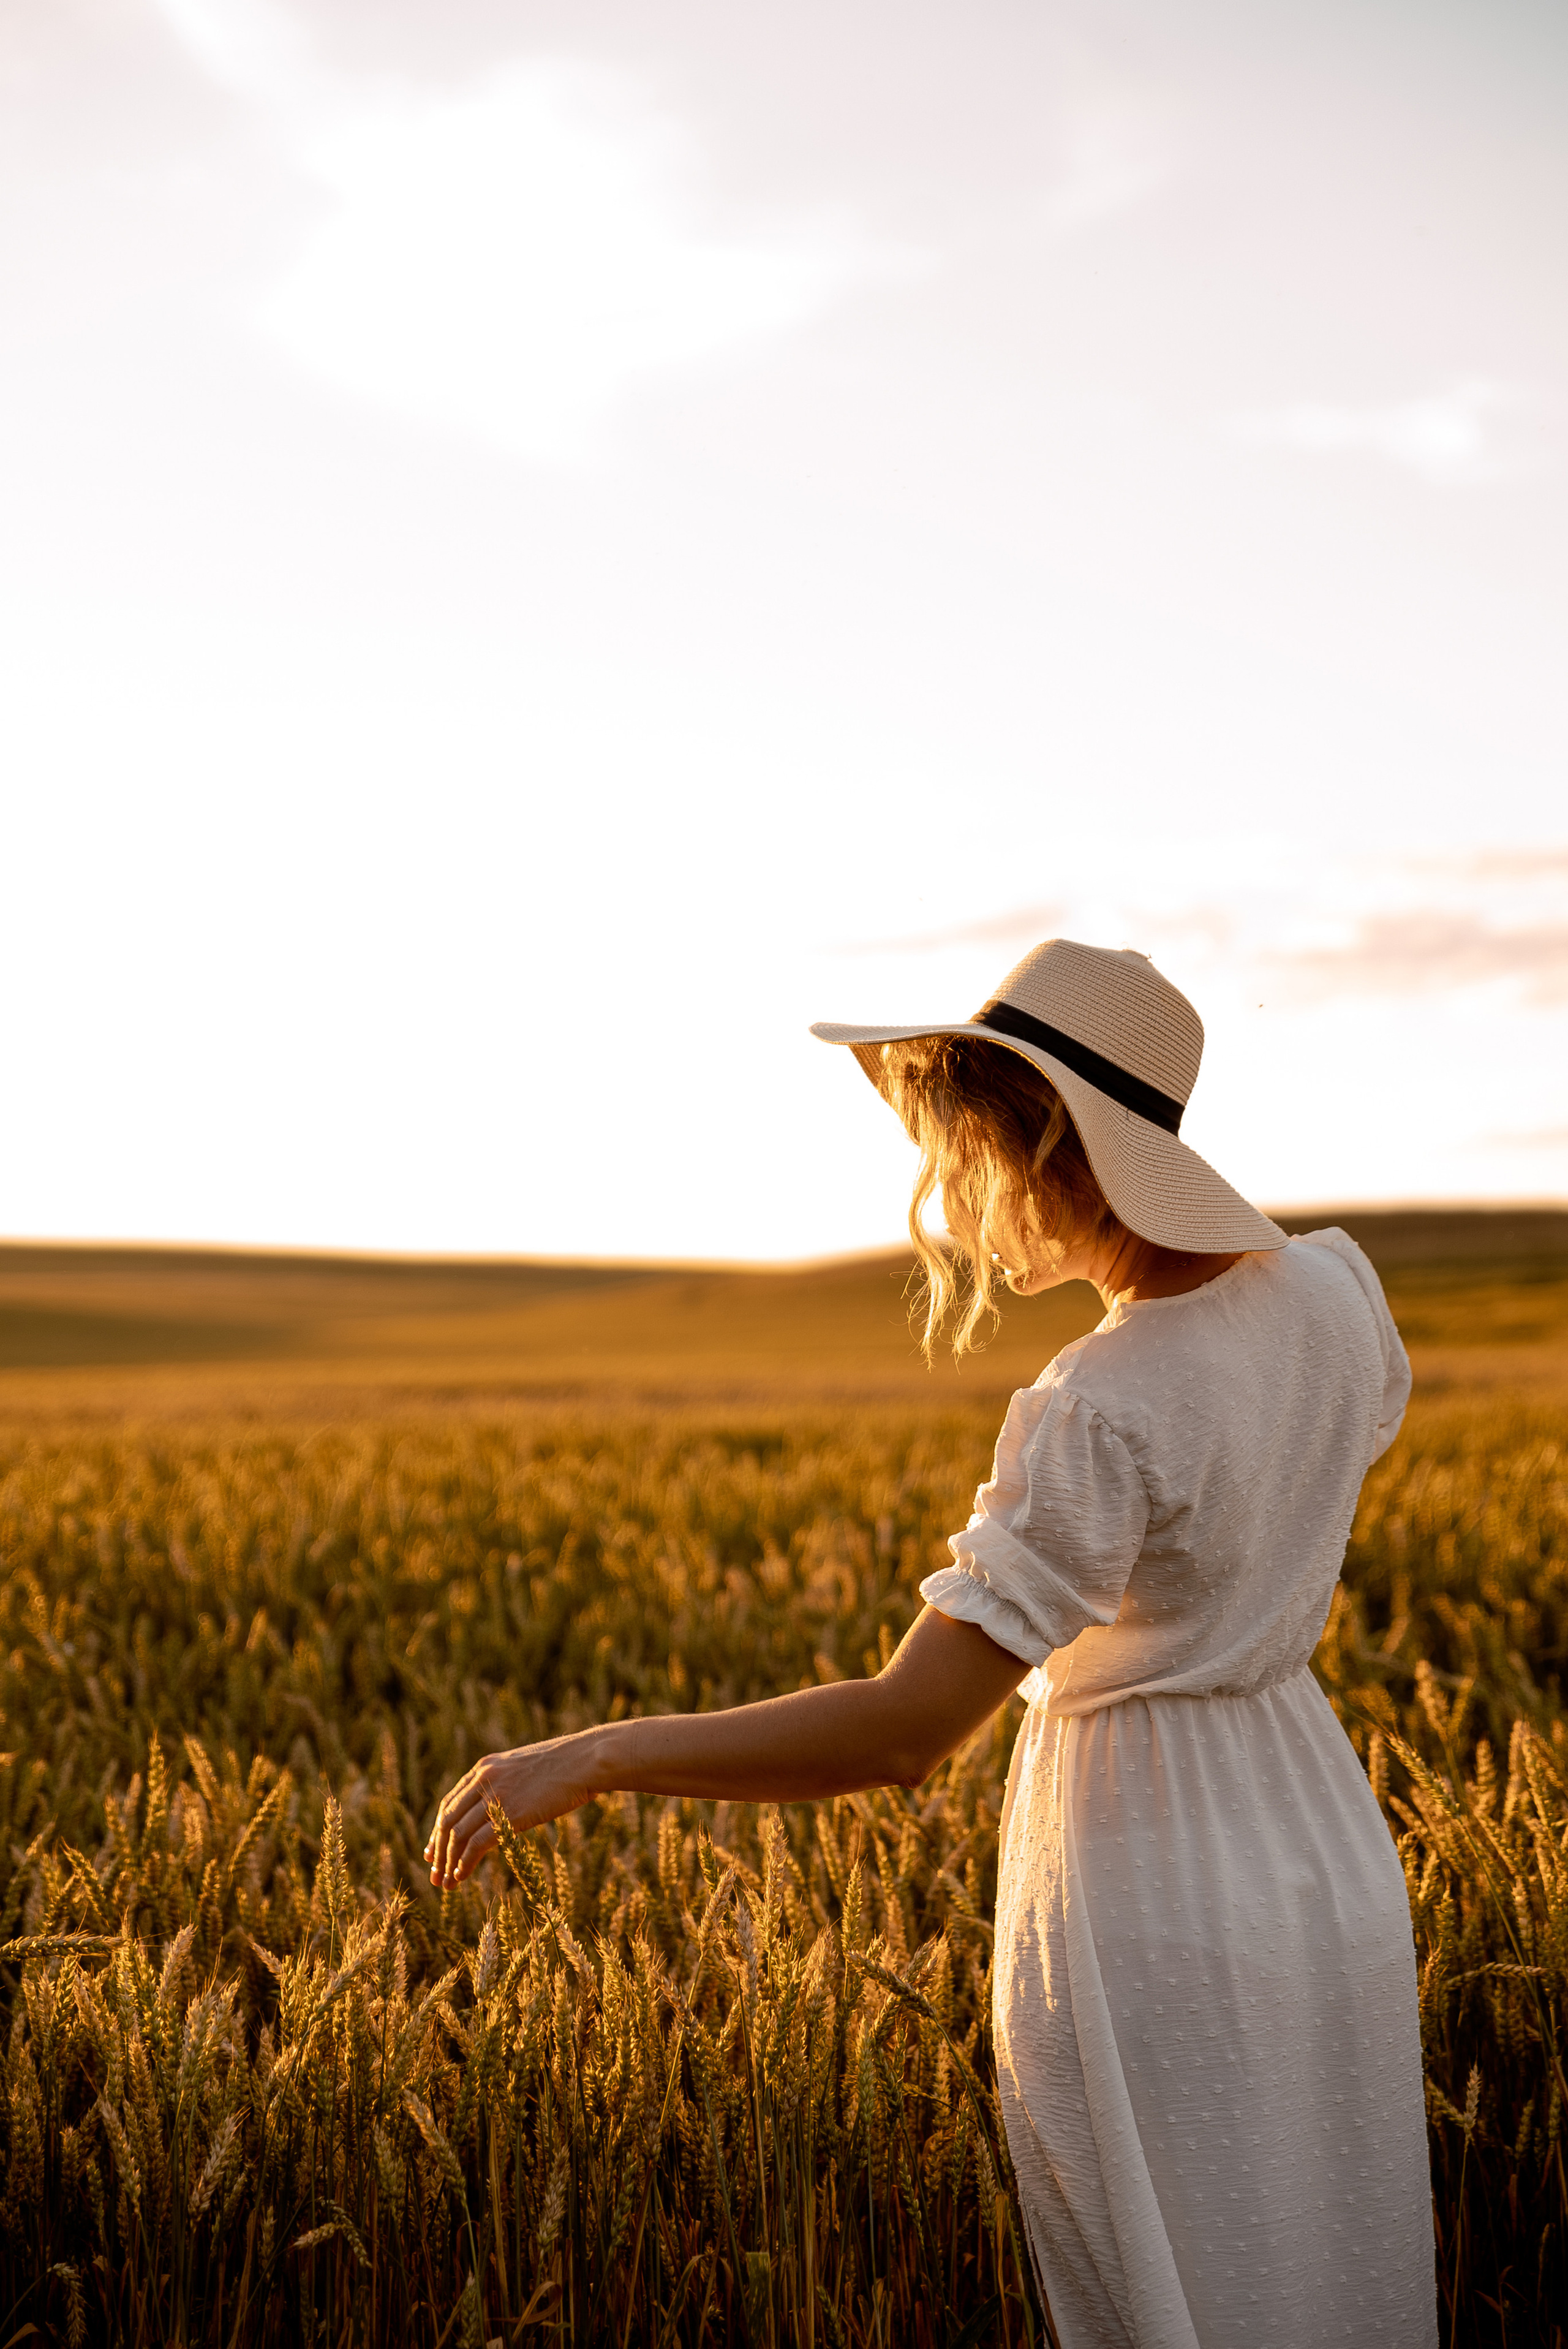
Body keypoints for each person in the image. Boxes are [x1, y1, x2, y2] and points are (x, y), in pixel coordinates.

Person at [426, 937, 1438, 2348]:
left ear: (1053, 1146)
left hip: (1150, 1878)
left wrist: (594, 1757)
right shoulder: (1337, 1295)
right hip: (1315, 1838)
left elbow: (907, 1732)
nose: (959, 1205)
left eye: (970, 1157)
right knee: (1325, 2264)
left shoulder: (1098, 1401)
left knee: (1176, 2294)